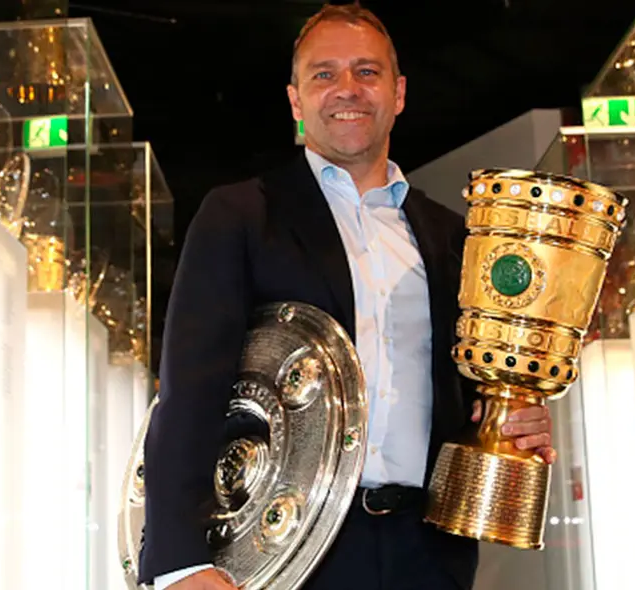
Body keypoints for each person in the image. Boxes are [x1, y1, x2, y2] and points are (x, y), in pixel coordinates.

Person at [138, 4, 556, 590]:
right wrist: (180, 560)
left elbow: (468, 394)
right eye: (324, 73)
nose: (347, 90)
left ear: (398, 91)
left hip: (428, 552)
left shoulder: (451, 236)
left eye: (367, 71)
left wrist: (516, 419)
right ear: (295, 99)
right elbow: (189, 390)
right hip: (289, 549)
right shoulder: (241, 215)